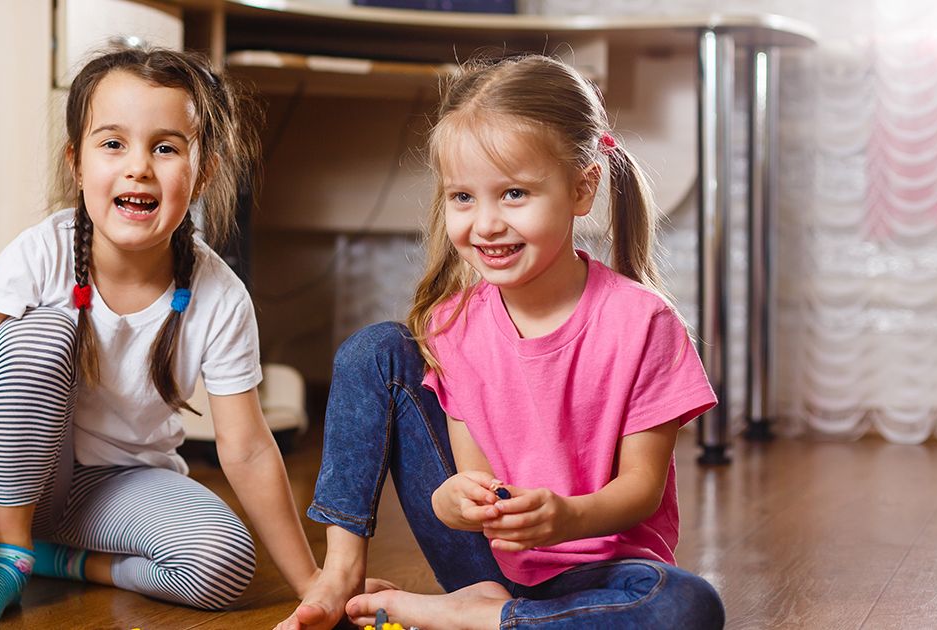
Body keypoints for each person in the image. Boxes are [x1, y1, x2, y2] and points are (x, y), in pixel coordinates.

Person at [279, 54, 725, 630]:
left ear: (582, 187)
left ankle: (481, 620)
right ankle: (350, 574)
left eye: (514, 194)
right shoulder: (453, 323)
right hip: (483, 559)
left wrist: (566, 518)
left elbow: (641, 488)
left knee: (687, 606)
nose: (485, 224)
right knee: (376, 348)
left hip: (599, 568)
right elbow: (468, 482)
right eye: (463, 197)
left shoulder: (642, 321)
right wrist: (453, 501)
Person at [0, 46, 325, 626]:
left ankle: (59, 560)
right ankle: (11, 547)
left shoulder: (221, 295)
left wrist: (312, 582)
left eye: (166, 146)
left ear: (203, 172)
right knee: (40, 333)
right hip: (25, 478)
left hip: (119, 492)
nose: (138, 166)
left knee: (227, 562)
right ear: (77, 164)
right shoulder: (42, 253)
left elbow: (250, 448)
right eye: (113, 143)